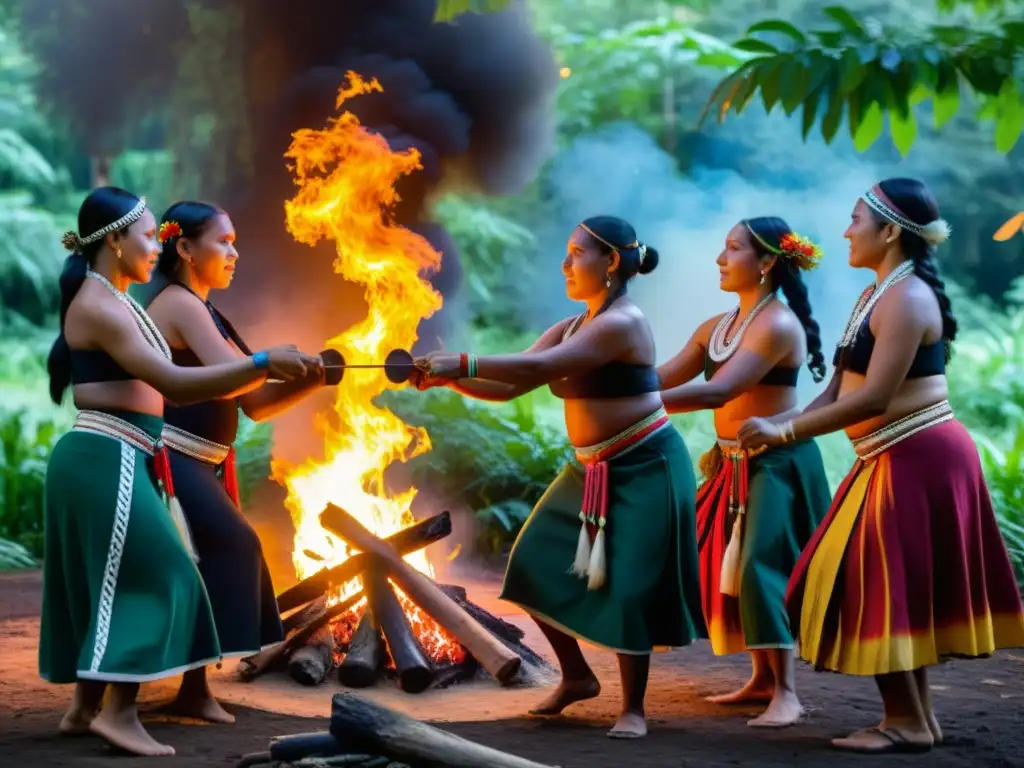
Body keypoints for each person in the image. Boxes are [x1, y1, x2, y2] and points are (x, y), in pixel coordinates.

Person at [738, 178, 1024, 754]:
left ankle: (906, 721)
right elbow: (839, 389)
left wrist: (784, 427)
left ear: (890, 230)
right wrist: (778, 427)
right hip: (891, 458)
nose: (845, 231)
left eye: (855, 220)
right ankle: (915, 719)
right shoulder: (878, 293)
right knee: (892, 585)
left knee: (868, 581)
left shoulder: (908, 297)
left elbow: (874, 399)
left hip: (919, 455)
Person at [39, 187, 319, 757]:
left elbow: (225, 392)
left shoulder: (118, 300)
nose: (156, 246)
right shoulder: (100, 305)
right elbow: (174, 383)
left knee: (117, 582)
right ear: (115, 242)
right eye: (148, 236)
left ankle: (84, 708)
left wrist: (286, 372)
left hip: (123, 455)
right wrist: (263, 361)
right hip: (106, 453)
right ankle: (118, 713)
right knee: (170, 573)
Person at [411, 216, 705, 739]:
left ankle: (633, 708)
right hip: (587, 469)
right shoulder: (572, 325)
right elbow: (508, 385)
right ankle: (576, 678)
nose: (565, 264)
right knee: (530, 565)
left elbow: (540, 369)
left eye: (576, 253)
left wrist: (461, 360)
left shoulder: (624, 322)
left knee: (630, 587)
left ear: (611, 262)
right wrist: (449, 379)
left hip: (645, 465)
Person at [145, 201, 338, 723]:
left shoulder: (207, 310)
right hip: (173, 458)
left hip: (203, 462)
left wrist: (311, 379)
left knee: (221, 555)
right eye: (223, 242)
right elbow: (241, 373)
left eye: (234, 243)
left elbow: (252, 400)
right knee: (234, 546)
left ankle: (192, 687)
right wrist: (268, 363)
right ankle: (191, 688)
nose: (234, 253)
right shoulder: (178, 304)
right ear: (184, 248)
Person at [656, 217, 832, 728]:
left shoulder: (776, 324)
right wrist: (602, 373)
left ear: (768, 262)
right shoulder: (718, 327)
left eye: (732, 249)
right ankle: (760, 679)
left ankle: (788, 694)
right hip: (731, 462)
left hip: (778, 463)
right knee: (723, 563)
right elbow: (664, 376)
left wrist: (632, 401)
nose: (719, 258)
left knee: (760, 566)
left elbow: (718, 391)